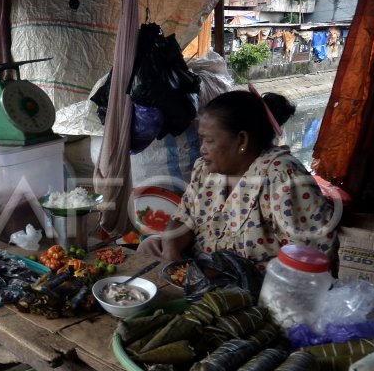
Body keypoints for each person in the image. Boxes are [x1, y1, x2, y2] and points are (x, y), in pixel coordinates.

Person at [139, 90, 337, 268]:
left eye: (209, 141)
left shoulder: (282, 176)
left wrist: (225, 278)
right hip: (200, 270)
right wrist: (171, 251)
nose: (202, 149)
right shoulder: (205, 169)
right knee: (149, 247)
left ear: (242, 140)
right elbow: (184, 217)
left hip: (252, 289)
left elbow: (309, 259)